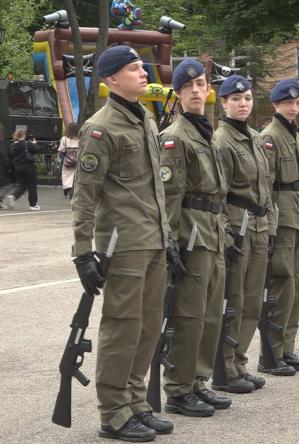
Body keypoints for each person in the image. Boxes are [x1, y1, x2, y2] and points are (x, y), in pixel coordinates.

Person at [71, 45, 174, 441]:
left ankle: (134, 400)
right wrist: (83, 252)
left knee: (147, 326)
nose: (144, 73)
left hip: (154, 240)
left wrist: (170, 237)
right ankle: (113, 412)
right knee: (122, 327)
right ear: (112, 78)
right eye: (134, 69)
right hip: (123, 243)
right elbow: (85, 195)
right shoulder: (101, 127)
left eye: (143, 67)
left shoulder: (144, 118)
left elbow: (154, 189)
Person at [157, 59, 234, 416]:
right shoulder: (176, 137)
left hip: (213, 231)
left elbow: (219, 193)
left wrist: (228, 234)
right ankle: (177, 388)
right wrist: (171, 241)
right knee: (188, 315)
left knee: (210, 314)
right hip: (190, 234)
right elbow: (169, 196)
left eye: (201, 84)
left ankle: (198, 381)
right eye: (188, 86)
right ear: (178, 92)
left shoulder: (206, 132)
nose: (196, 91)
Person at [214, 75, 281, 384]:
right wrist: (227, 235)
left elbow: (266, 186)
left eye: (248, 99)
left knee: (253, 300)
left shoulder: (254, 136)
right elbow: (219, 193)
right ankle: (224, 367)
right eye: (236, 99)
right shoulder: (222, 140)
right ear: (223, 103)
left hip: (258, 225)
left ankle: (240, 362)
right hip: (237, 226)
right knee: (234, 300)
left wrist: (270, 228)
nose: (243, 104)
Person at [258, 79, 299, 370]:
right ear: (276, 104)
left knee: (297, 285)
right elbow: (265, 184)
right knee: (282, 284)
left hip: (296, 213)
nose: (294, 107)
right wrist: (269, 223)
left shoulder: (292, 133)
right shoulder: (271, 135)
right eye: (289, 103)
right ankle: (272, 352)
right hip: (281, 215)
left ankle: (286, 348)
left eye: (297, 103)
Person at [6, 128, 42, 211]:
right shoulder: (26, 143)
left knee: (22, 185)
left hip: (18, 167)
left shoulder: (13, 145)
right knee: (32, 185)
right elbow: (36, 149)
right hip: (29, 166)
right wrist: (35, 143)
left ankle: (13, 196)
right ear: (23, 135)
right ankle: (33, 205)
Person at [58, 122, 80, 199]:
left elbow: (61, 150)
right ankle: (74, 190)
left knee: (66, 176)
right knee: (76, 176)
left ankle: (67, 190)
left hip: (68, 161)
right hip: (78, 161)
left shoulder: (64, 139)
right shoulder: (80, 138)